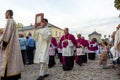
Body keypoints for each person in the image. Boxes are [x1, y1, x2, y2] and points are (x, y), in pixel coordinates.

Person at [0, 9, 24, 80]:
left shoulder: (9, 21)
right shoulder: (14, 22)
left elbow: (7, 33)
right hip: (12, 45)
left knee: (8, 62)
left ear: (8, 14)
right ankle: (14, 76)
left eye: (5, 13)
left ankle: (7, 77)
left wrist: (4, 44)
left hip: (8, 46)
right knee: (13, 62)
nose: (4, 15)